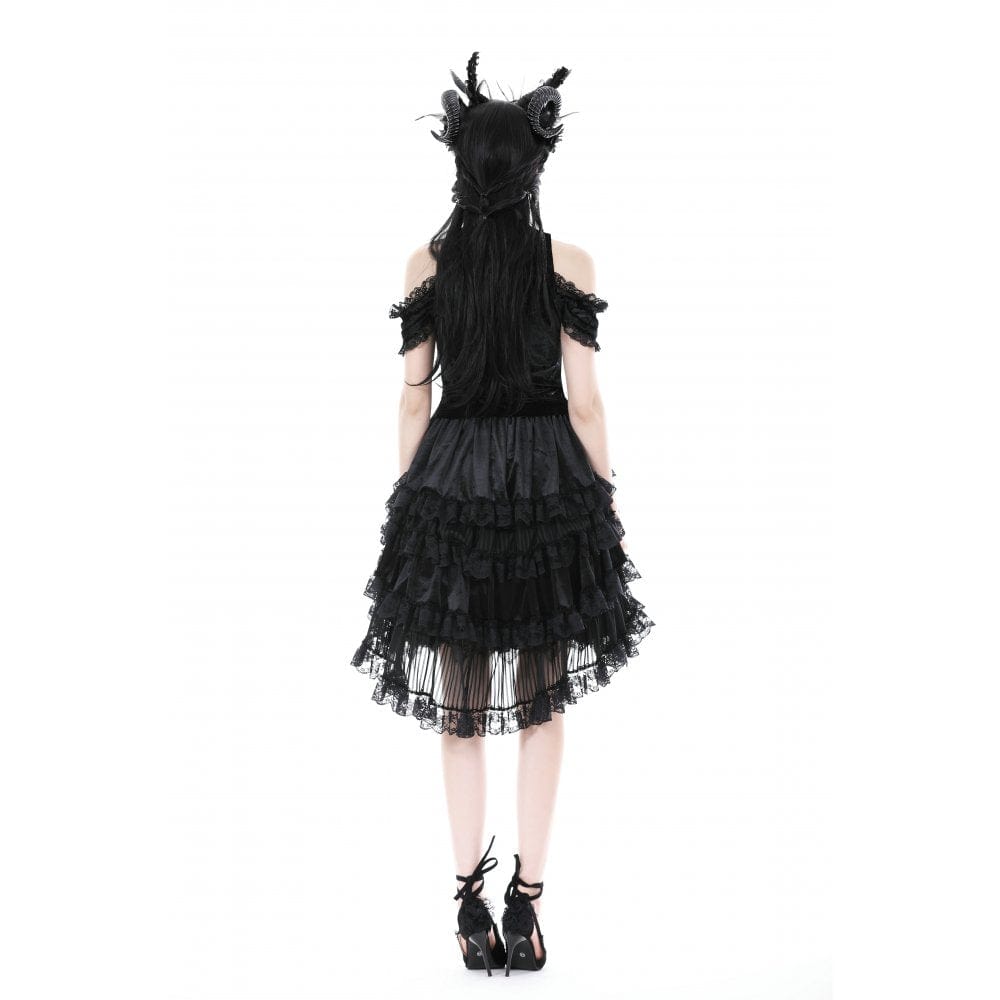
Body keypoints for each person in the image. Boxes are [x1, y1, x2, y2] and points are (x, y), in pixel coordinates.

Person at [350, 52, 654, 975]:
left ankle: (467, 907)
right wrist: (602, 500)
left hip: (453, 480)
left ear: (459, 163)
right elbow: (586, 402)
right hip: (546, 484)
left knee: (461, 706)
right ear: (534, 164)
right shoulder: (568, 263)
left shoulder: (427, 265)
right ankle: (527, 905)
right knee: (542, 703)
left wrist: (413, 504)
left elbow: (413, 397)